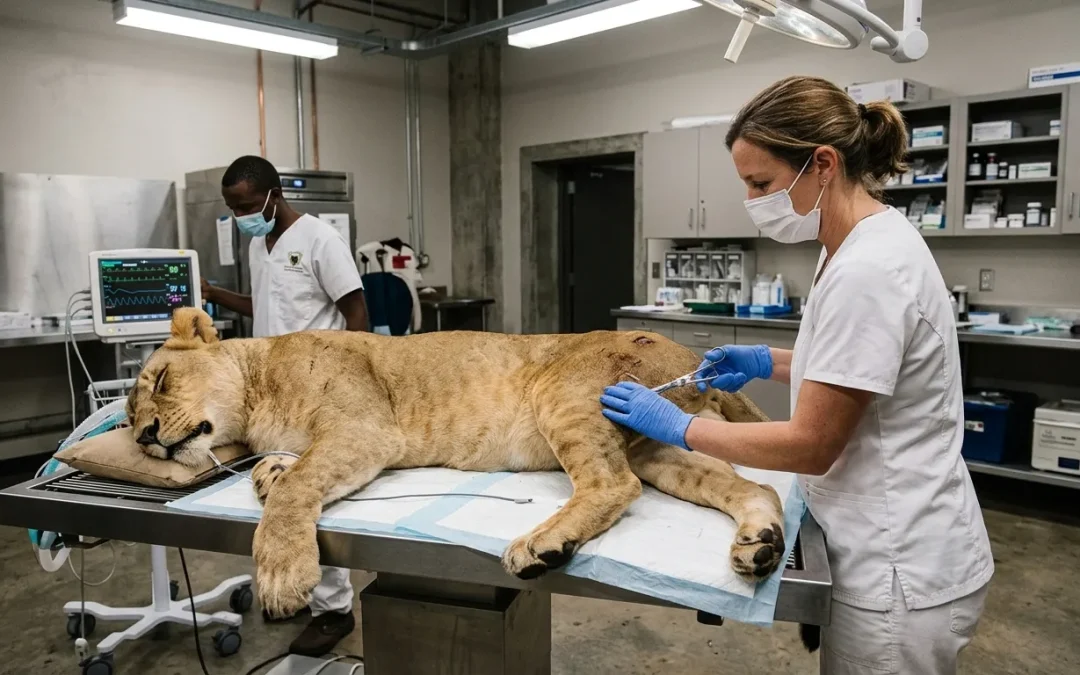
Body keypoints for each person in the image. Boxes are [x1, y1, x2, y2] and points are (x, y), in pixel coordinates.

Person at [600, 76, 993, 675]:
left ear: (823, 164)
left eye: (762, 183)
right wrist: (766, 360)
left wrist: (679, 427)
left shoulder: (870, 270)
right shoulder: (848, 245)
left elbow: (811, 444)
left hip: (898, 562)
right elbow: (853, 368)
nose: (754, 199)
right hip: (885, 536)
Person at [202, 155, 368, 656]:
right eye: (232, 208)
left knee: (306, 494)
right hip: (267, 388)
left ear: (274, 195)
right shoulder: (259, 243)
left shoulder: (320, 239)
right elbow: (266, 306)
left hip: (317, 388)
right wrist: (214, 294)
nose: (241, 215)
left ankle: (334, 610)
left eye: (248, 206)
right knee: (270, 490)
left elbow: (357, 314)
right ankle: (297, 587)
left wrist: (349, 388)